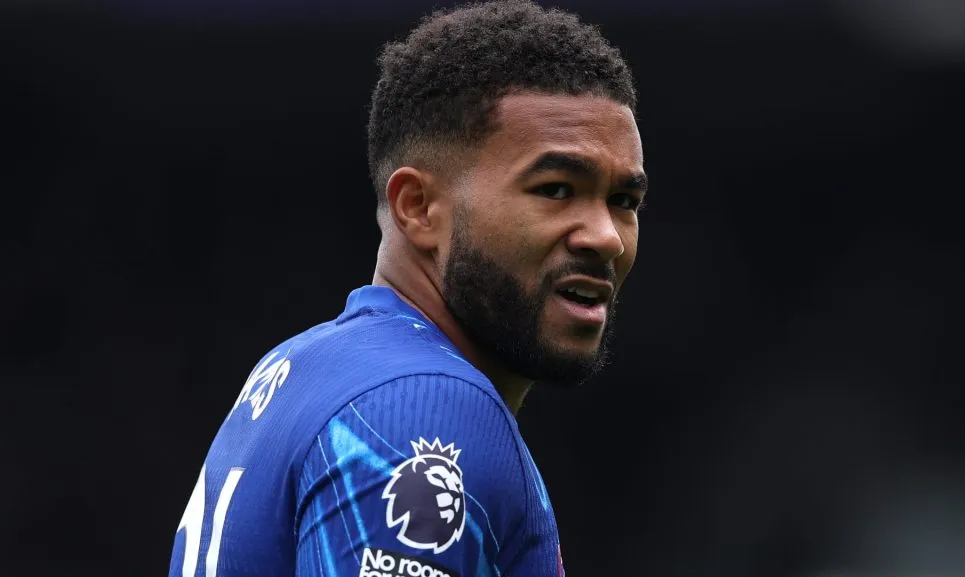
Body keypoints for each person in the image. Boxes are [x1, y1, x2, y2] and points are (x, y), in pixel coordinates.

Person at [167, 1, 646, 576]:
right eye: (555, 189)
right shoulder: (424, 407)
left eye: (623, 201)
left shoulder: (305, 369)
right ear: (418, 207)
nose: (606, 237)